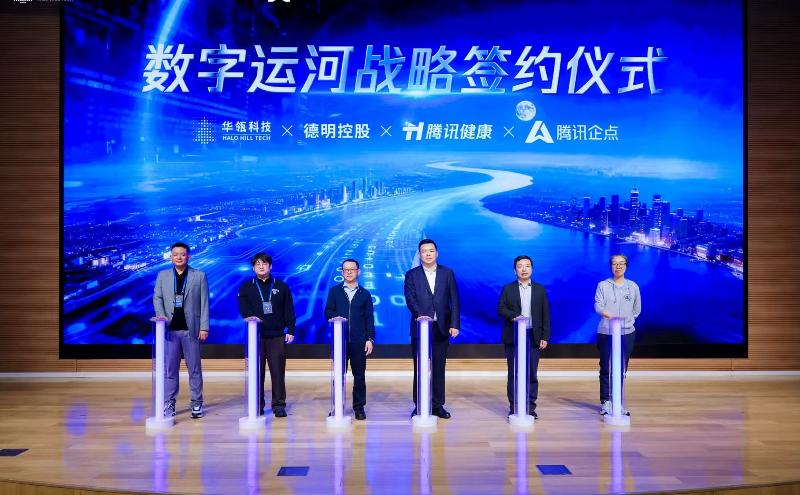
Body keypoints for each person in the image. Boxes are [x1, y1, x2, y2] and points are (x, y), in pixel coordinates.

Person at [404, 239, 460, 419]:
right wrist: (421, 316)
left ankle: (437, 405)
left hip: (441, 328)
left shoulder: (447, 273)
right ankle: (419, 404)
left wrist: (454, 324)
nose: (428, 254)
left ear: (437, 253)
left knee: (438, 368)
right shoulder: (411, 274)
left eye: (431, 250)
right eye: (424, 251)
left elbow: (454, 300)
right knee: (419, 367)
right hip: (420, 327)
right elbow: (410, 299)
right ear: (419, 254)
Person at [153, 242, 210, 419]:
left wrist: (204, 327)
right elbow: (157, 298)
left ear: (188, 256)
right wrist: (161, 316)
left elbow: (204, 303)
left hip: (191, 329)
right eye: (175, 254)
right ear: (171, 256)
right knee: (170, 371)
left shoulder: (199, 276)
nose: (179, 257)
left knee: (194, 369)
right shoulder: (162, 275)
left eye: (182, 254)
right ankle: (169, 403)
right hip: (169, 331)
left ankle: (197, 403)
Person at [237, 253, 296, 418]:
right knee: (257, 373)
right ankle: (257, 405)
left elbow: (289, 309)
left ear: (270, 266)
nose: (261, 266)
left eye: (264, 264)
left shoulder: (281, 286)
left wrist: (291, 329)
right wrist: (250, 317)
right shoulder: (246, 287)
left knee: (278, 372)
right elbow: (244, 309)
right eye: (257, 264)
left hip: (277, 336)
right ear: (253, 268)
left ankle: (279, 405)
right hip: (256, 337)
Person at [497, 255, 551, 419]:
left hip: (533, 336)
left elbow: (546, 314)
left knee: (531, 373)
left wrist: (545, 336)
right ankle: (514, 406)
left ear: (532, 269)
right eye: (520, 266)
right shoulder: (508, 289)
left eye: (527, 266)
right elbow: (501, 309)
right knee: (514, 373)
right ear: (515, 271)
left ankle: (530, 406)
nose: (524, 269)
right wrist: (515, 316)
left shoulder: (540, 289)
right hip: (514, 336)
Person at [324, 259, 375, 420]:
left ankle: (359, 408)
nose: (348, 272)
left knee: (359, 376)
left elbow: (369, 318)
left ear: (358, 272)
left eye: (352, 269)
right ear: (342, 272)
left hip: (359, 341)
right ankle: (337, 406)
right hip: (340, 341)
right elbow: (328, 311)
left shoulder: (365, 294)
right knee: (338, 375)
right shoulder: (335, 291)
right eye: (345, 269)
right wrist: (336, 317)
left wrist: (370, 339)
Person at [594, 253, 641, 416]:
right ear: (611, 267)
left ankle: (617, 401)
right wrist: (611, 317)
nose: (618, 266)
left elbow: (637, 309)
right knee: (606, 367)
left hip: (627, 333)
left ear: (626, 266)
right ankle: (606, 402)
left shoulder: (633, 286)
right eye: (615, 263)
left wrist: (626, 321)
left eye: (621, 263)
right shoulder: (603, 285)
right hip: (606, 331)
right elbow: (598, 306)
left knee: (621, 368)